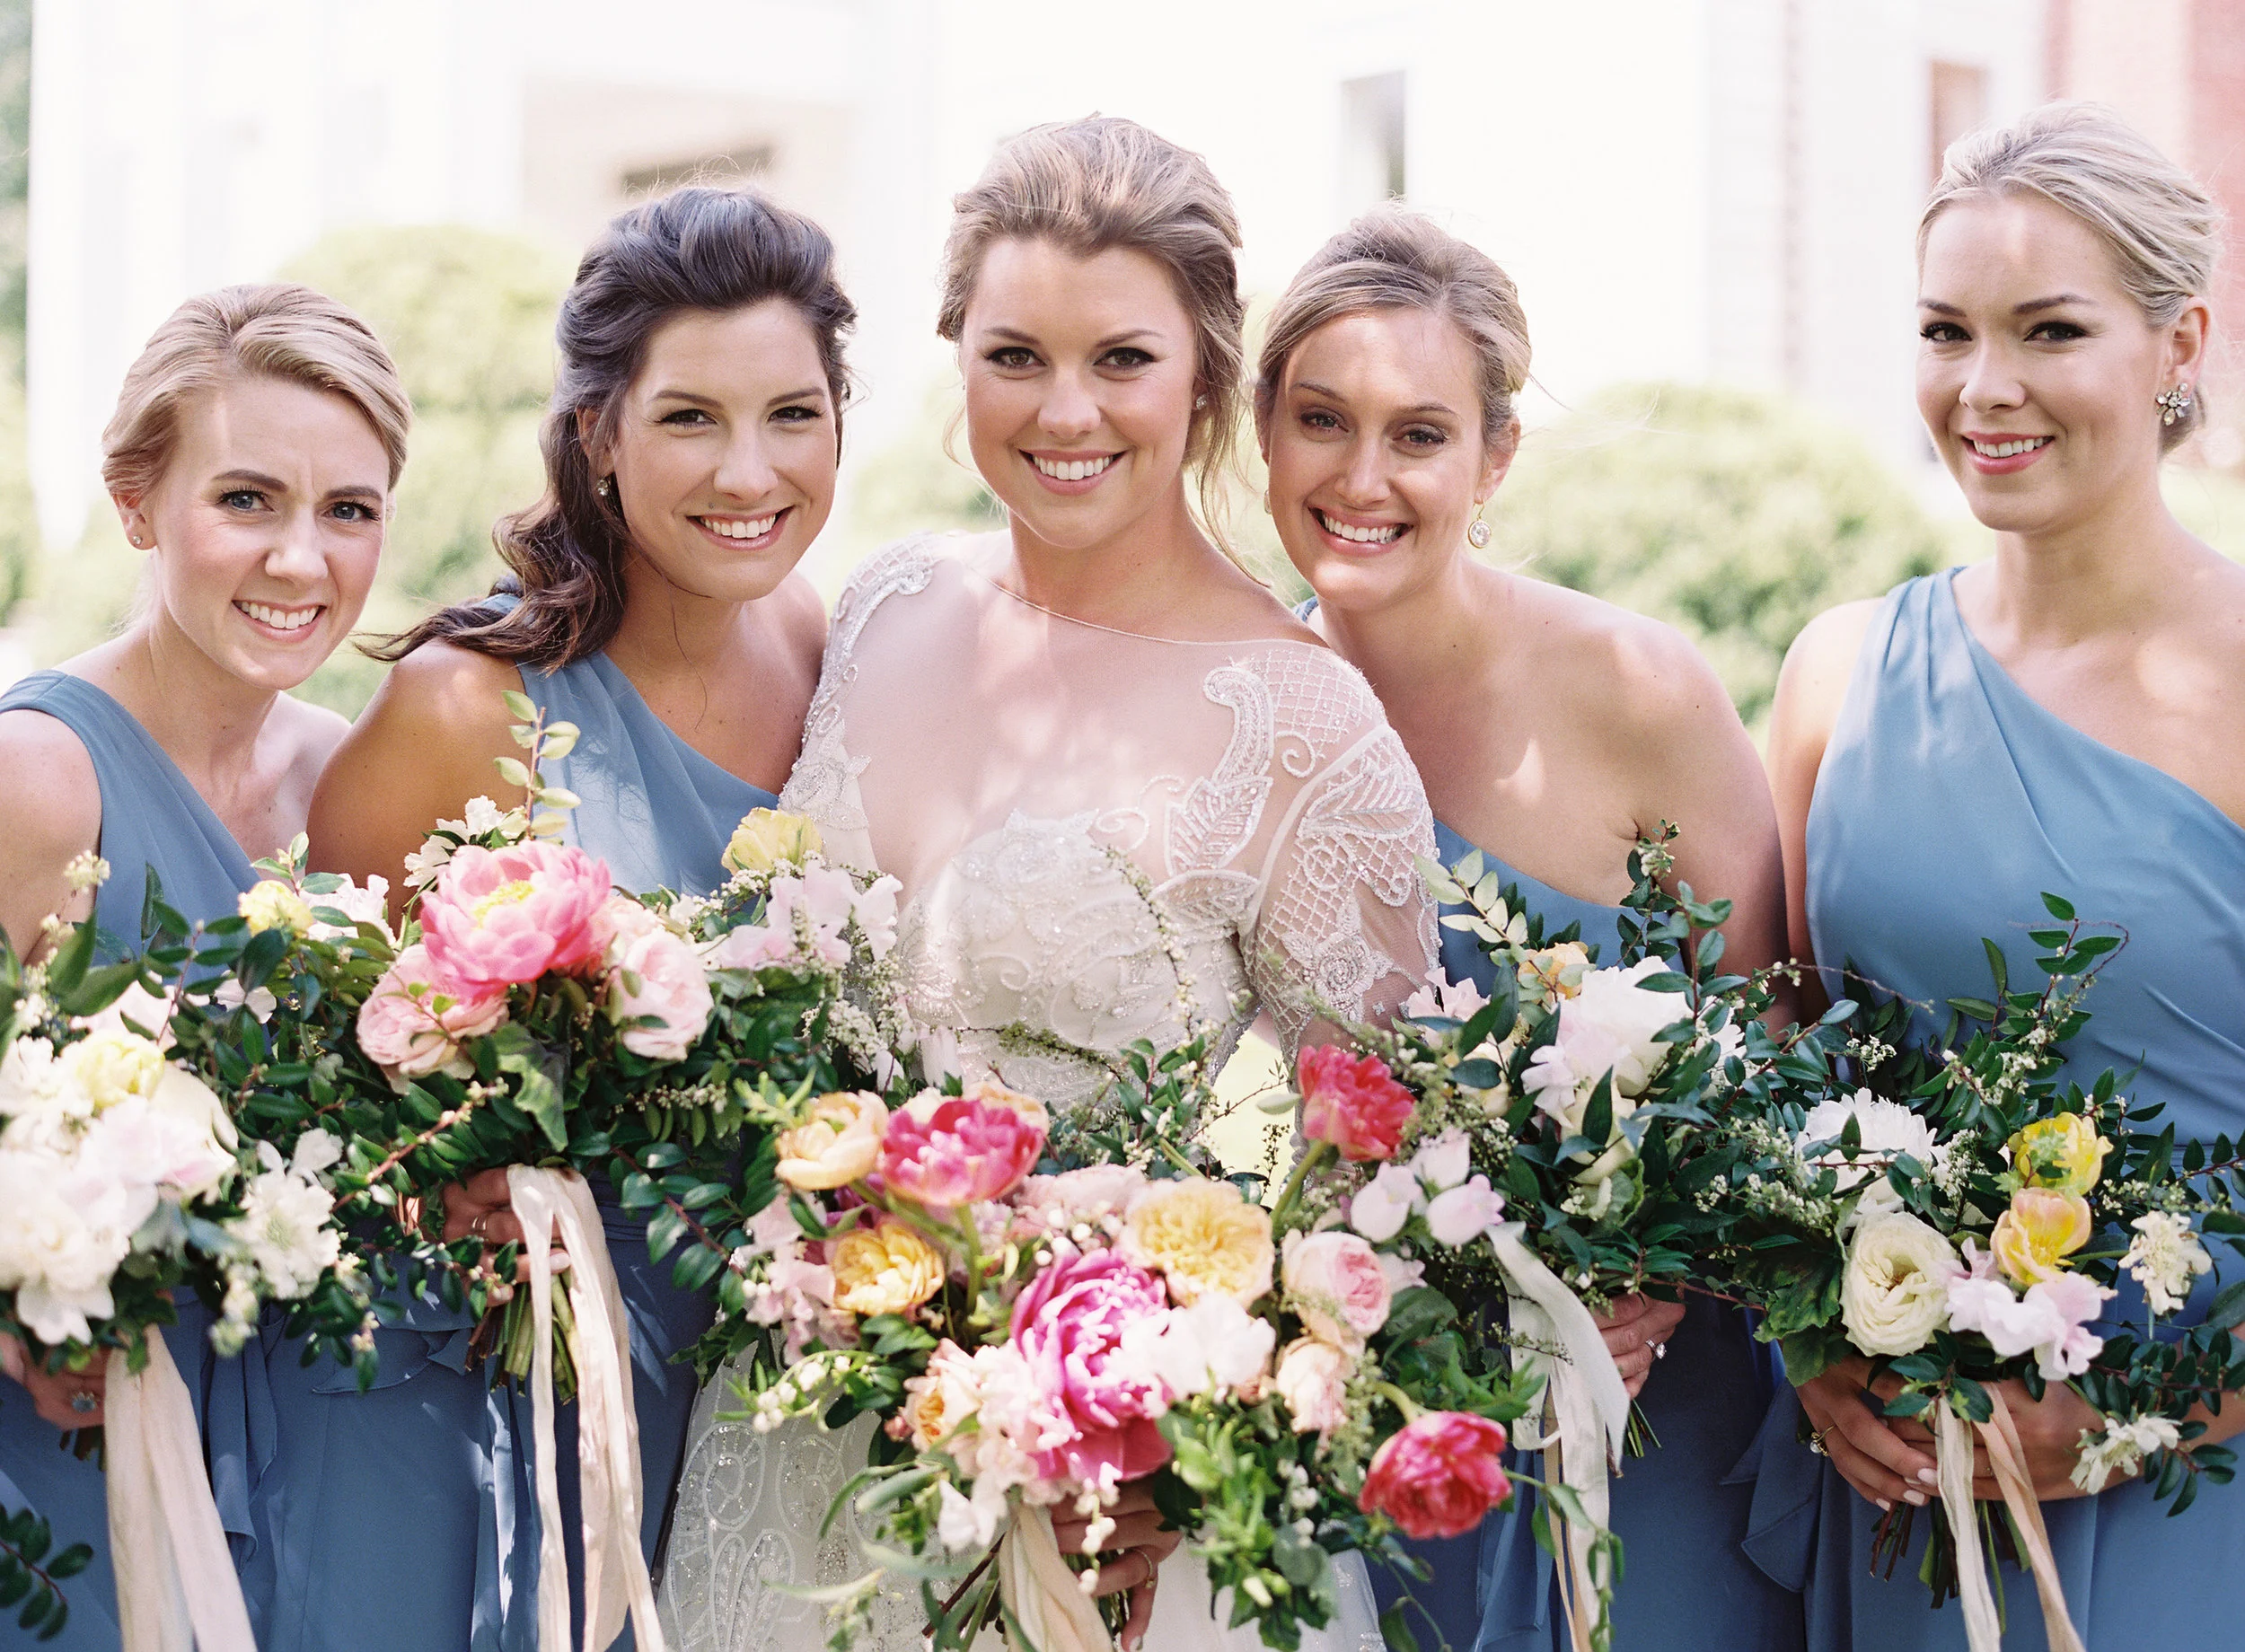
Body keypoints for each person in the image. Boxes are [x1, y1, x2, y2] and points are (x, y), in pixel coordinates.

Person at [658, 117, 1433, 1652]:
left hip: (1105, 1502)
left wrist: (1207, 1410)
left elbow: (1393, 1154)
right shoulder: (880, 606)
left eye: (1120, 361)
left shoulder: (1302, 718)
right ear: (956, 359)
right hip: (796, 1441)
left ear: (1205, 375)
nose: (1064, 411)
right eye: (1015, 354)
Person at [265, 186, 841, 1652]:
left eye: (793, 412)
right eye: (690, 418)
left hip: (750, 1405)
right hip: (477, 1412)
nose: (748, 471)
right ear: (598, 433)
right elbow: (308, 1088)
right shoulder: (469, 710)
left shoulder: (834, 649)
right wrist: (445, 1188)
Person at [1257, 208, 1797, 1652]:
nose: (1361, 478)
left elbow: (1779, 1043)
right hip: (1391, 1419)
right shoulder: (1241, 714)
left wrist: (1656, 1268)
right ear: (1262, 432)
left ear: (1492, 458)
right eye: (1321, 421)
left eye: (1417, 435)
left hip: (1650, 1416)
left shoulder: (1634, 688)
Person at [1760, 102, 2245, 1650]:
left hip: (2194, 1506)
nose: (1986, 387)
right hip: (1900, 1488)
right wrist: (1809, 1343)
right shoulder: (1839, 672)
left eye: (2050, 329)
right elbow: (1769, 1063)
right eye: (1945, 331)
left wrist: (2138, 1421)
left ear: (2182, 344)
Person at [0, 283, 409, 1649]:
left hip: (315, 1472)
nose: (301, 561)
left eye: (348, 511)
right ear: (137, 503)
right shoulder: (37, 777)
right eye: (247, 500)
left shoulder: (353, 783)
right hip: (73, 1455)